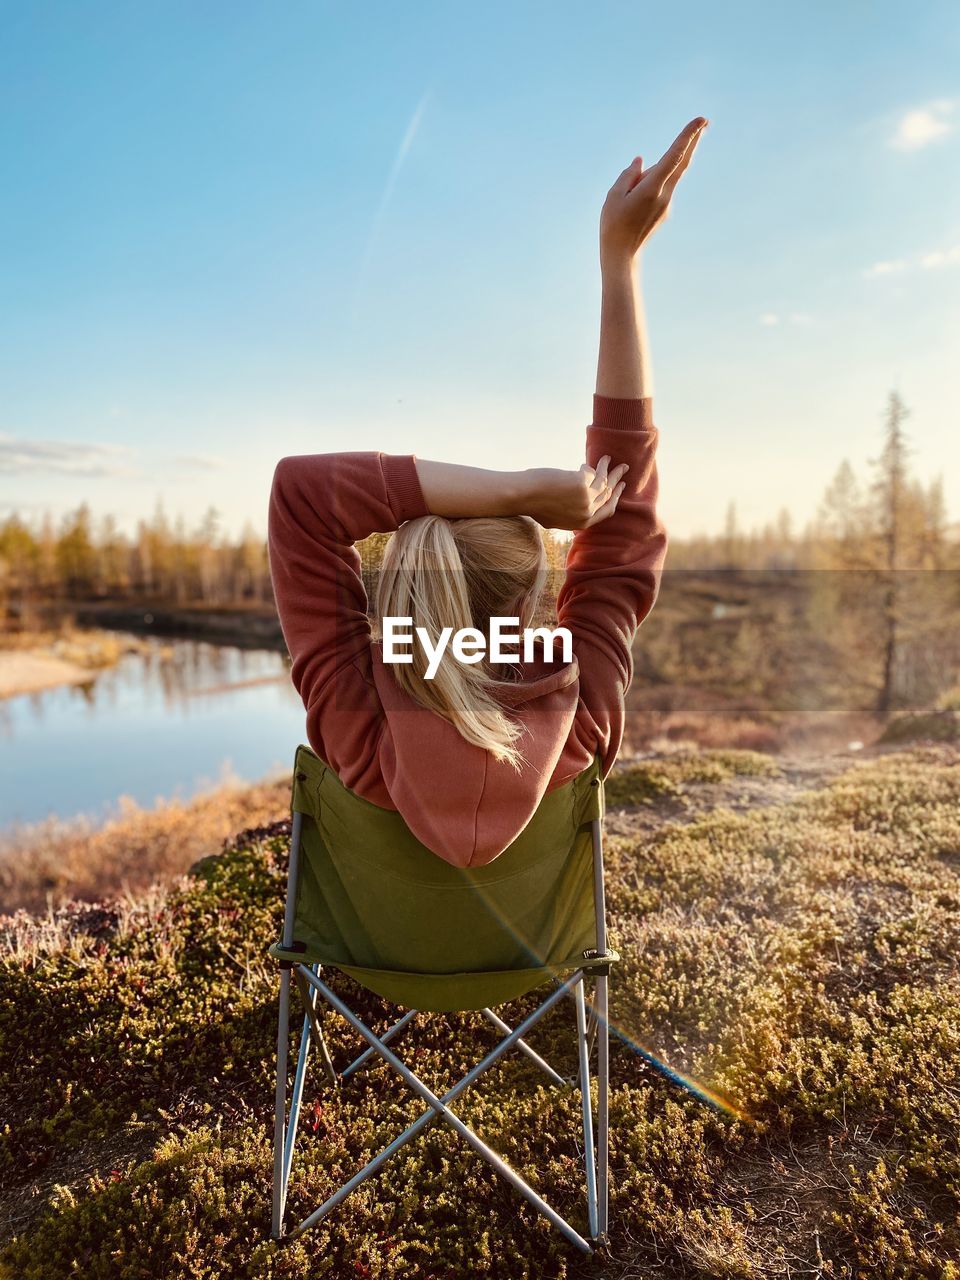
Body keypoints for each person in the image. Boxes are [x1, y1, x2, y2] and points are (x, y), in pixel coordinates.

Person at [268, 116, 708, 869]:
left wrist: (521, 491)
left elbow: (299, 497)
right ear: (527, 603)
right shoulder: (583, 708)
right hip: (535, 974)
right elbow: (624, 507)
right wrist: (619, 264)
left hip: (378, 966)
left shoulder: (356, 716)